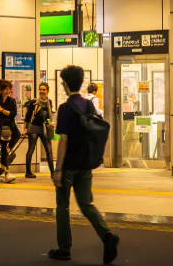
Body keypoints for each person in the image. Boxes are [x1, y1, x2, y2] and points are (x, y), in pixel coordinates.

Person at [49, 65, 118, 263]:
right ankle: (107, 235)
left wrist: (58, 169)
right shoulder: (88, 105)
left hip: (69, 164)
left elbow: (63, 141)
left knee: (62, 206)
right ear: (81, 83)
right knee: (86, 204)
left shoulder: (65, 108)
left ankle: (65, 248)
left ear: (64, 84)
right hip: (86, 163)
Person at [0, 80, 19, 183]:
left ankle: (6, 171)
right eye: (4, 89)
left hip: (8, 127)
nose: (7, 91)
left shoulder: (12, 101)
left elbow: (13, 114)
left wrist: (2, 111)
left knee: (5, 148)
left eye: (8, 89)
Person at [25, 82, 55, 178]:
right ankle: (28, 172)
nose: (42, 91)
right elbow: (28, 116)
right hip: (34, 127)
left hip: (45, 128)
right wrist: (25, 128)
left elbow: (49, 116)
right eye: (40, 89)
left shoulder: (49, 102)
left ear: (47, 91)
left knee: (49, 150)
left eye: (44, 89)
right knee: (31, 149)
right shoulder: (34, 102)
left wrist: (50, 125)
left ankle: (53, 173)